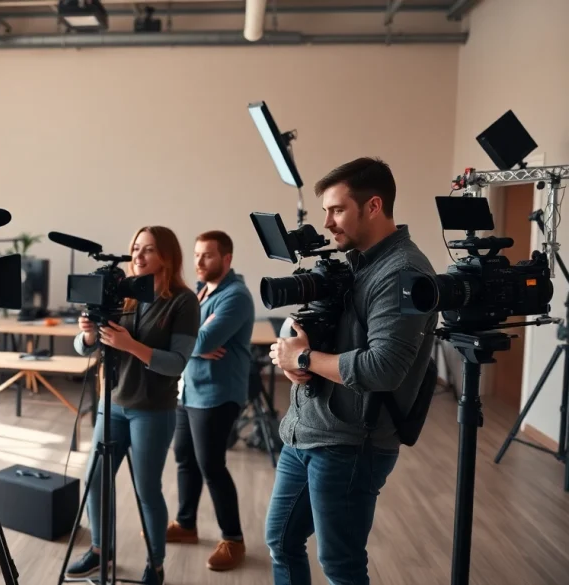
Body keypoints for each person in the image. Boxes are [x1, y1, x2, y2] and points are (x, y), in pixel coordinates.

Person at [267, 157, 437, 585]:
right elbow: (330, 331)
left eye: (337, 209)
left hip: (351, 445)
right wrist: (297, 361)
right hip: (307, 430)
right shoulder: (357, 261)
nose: (326, 222)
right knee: (281, 542)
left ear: (374, 206)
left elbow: (383, 368)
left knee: (340, 564)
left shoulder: (403, 272)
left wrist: (303, 360)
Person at [65, 226, 201, 585]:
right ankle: (99, 550)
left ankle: (155, 565)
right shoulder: (122, 293)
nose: (138, 256)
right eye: (136, 248)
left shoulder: (183, 301)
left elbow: (177, 362)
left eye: (149, 250)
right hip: (112, 404)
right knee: (95, 480)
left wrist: (131, 346)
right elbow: (84, 348)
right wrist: (89, 334)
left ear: (167, 257)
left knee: (146, 490)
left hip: (152, 409)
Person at [167, 230, 253, 572]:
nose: (199, 262)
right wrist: (195, 344)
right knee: (184, 458)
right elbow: (191, 339)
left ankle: (233, 539)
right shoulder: (203, 291)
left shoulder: (236, 297)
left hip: (217, 396)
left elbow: (200, 339)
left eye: (208, 256)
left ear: (226, 259)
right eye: (197, 255)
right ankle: (186, 525)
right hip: (189, 390)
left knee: (211, 466)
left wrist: (194, 342)